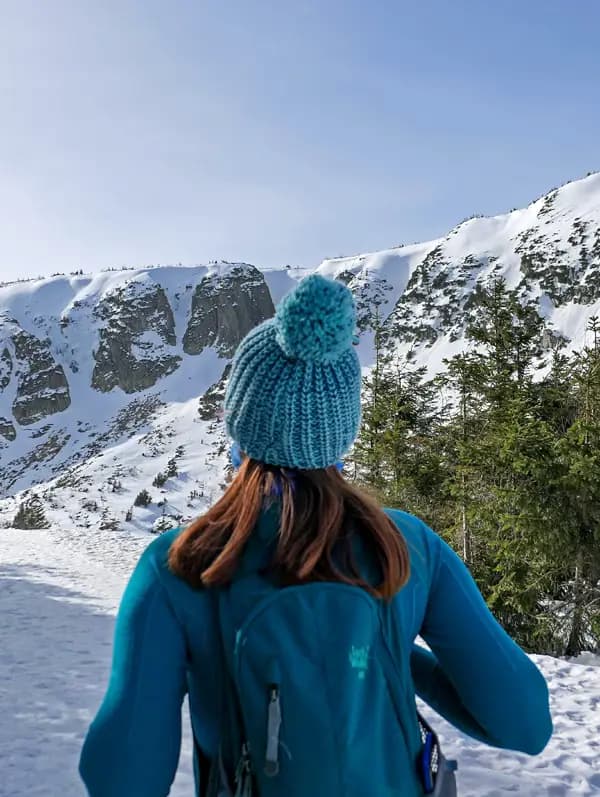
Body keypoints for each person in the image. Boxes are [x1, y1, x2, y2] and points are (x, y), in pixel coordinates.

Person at [79, 275, 553, 797]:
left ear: (239, 426)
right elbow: (524, 726)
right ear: (341, 431)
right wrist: (387, 652)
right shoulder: (407, 547)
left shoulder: (179, 565)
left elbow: (122, 779)